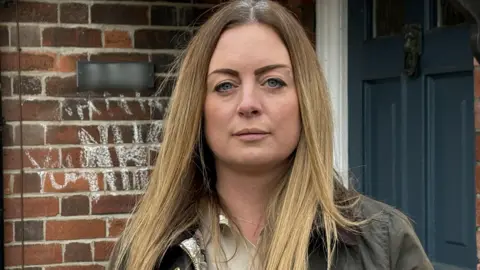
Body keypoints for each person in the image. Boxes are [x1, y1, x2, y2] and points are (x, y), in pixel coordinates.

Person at [108, 0, 433, 269]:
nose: (248, 103)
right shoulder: (146, 248)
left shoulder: (382, 242)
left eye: (273, 82)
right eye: (225, 85)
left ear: (306, 99)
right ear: (197, 108)